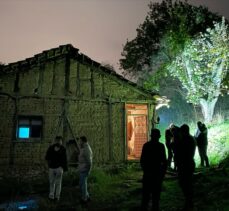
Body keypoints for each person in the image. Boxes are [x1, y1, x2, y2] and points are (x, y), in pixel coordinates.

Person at [140, 128, 167, 211]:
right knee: (156, 197)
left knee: (146, 196)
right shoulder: (161, 146)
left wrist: (145, 170)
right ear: (159, 137)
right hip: (157, 174)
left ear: (151, 136)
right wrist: (163, 173)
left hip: (148, 174)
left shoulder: (146, 145)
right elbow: (164, 162)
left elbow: (142, 160)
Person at [177, 124, 196, 210]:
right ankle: (189, 203)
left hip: (185, 164)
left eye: (181, 131)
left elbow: (180, 151)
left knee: (185, 184)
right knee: (187, 183)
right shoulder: (191, 138)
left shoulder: (185, 139)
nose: (180, 133)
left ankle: (189, 203)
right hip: (189, 163)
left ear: (183, 131)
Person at [45, 136, 68, 201]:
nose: (58, 142)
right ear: (55, 141)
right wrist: (48, 166)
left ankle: (57, 197)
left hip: (59, 168)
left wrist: (63, 168)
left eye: (59, 140)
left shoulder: (63, 149)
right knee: (51, 182)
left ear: (61, 141)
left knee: (58, 183)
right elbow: (47, 157)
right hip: (51, 168)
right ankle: (51, 196)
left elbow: (65, 159)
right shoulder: (51, 148)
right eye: (57, 140)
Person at [78, 136, 93, 204]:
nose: (79, 142)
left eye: (80, 141)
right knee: (82, 184)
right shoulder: (84, 148)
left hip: (84, 170)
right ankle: (87, 196)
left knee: (83, 185)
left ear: (83, 141)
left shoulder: (87, 149)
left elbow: (89, 162)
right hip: (82, 169)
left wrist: (88, 171)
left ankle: (84, 199)